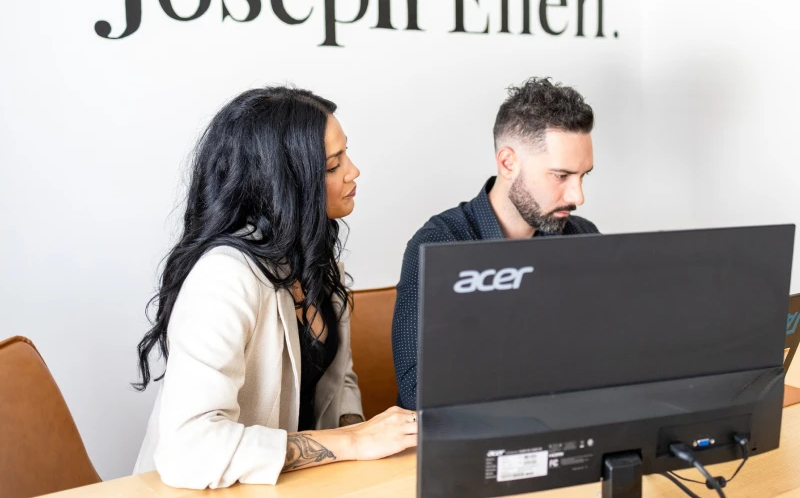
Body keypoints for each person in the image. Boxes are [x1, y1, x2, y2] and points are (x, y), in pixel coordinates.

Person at [133, 86, 417, 489]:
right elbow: (189, 450)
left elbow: (338, 380)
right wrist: (353, 442)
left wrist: (364, 441)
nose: (353, 171)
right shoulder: (224, 277)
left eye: (346, 154)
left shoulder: (316, 262)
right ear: (284, 182)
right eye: (333, 165)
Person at [392, 77, 599, 409]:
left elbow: (608, 357)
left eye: (583, 176)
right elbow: (419, 391)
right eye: (561, 176)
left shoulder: (583, 237)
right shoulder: (439, 245)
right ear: (508, 163)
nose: (578, 196)